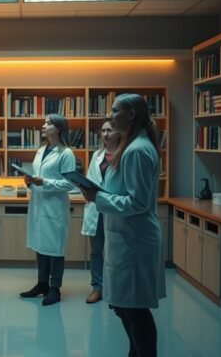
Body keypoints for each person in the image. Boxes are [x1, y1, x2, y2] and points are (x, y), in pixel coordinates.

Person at [78, 93, 166, 357]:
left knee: (136, 311)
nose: (110, 115)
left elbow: (138, 203)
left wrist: (98, 197)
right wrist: (98, 193)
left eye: (115, 110)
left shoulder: (137, 151)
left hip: (135, 242)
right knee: (125, 308)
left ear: (130, 115)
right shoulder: (130, 146)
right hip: (125, 239)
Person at [19, 114, 76, 306]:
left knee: (55, 249)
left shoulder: (65, 153)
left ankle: (55, 288)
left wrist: (44, 182)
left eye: (48, 123)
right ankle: (42, 284)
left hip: (54, 208)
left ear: (58, 129)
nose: (43, 125)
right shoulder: (41, 150)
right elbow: (38, 176)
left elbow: (69, 184)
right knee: (40, 246)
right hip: (38, 203)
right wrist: (30, 182)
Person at [81, 119, 121, 304]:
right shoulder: (96, 155)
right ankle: (97, 287)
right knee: (96, 251)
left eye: (110, 130)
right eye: (103, 131)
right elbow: (90, 179)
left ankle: (115, 287)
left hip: (115, 208)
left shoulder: (125, 155)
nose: (105, 134)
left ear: (119, 132)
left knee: (116, 250)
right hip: (97, 208)